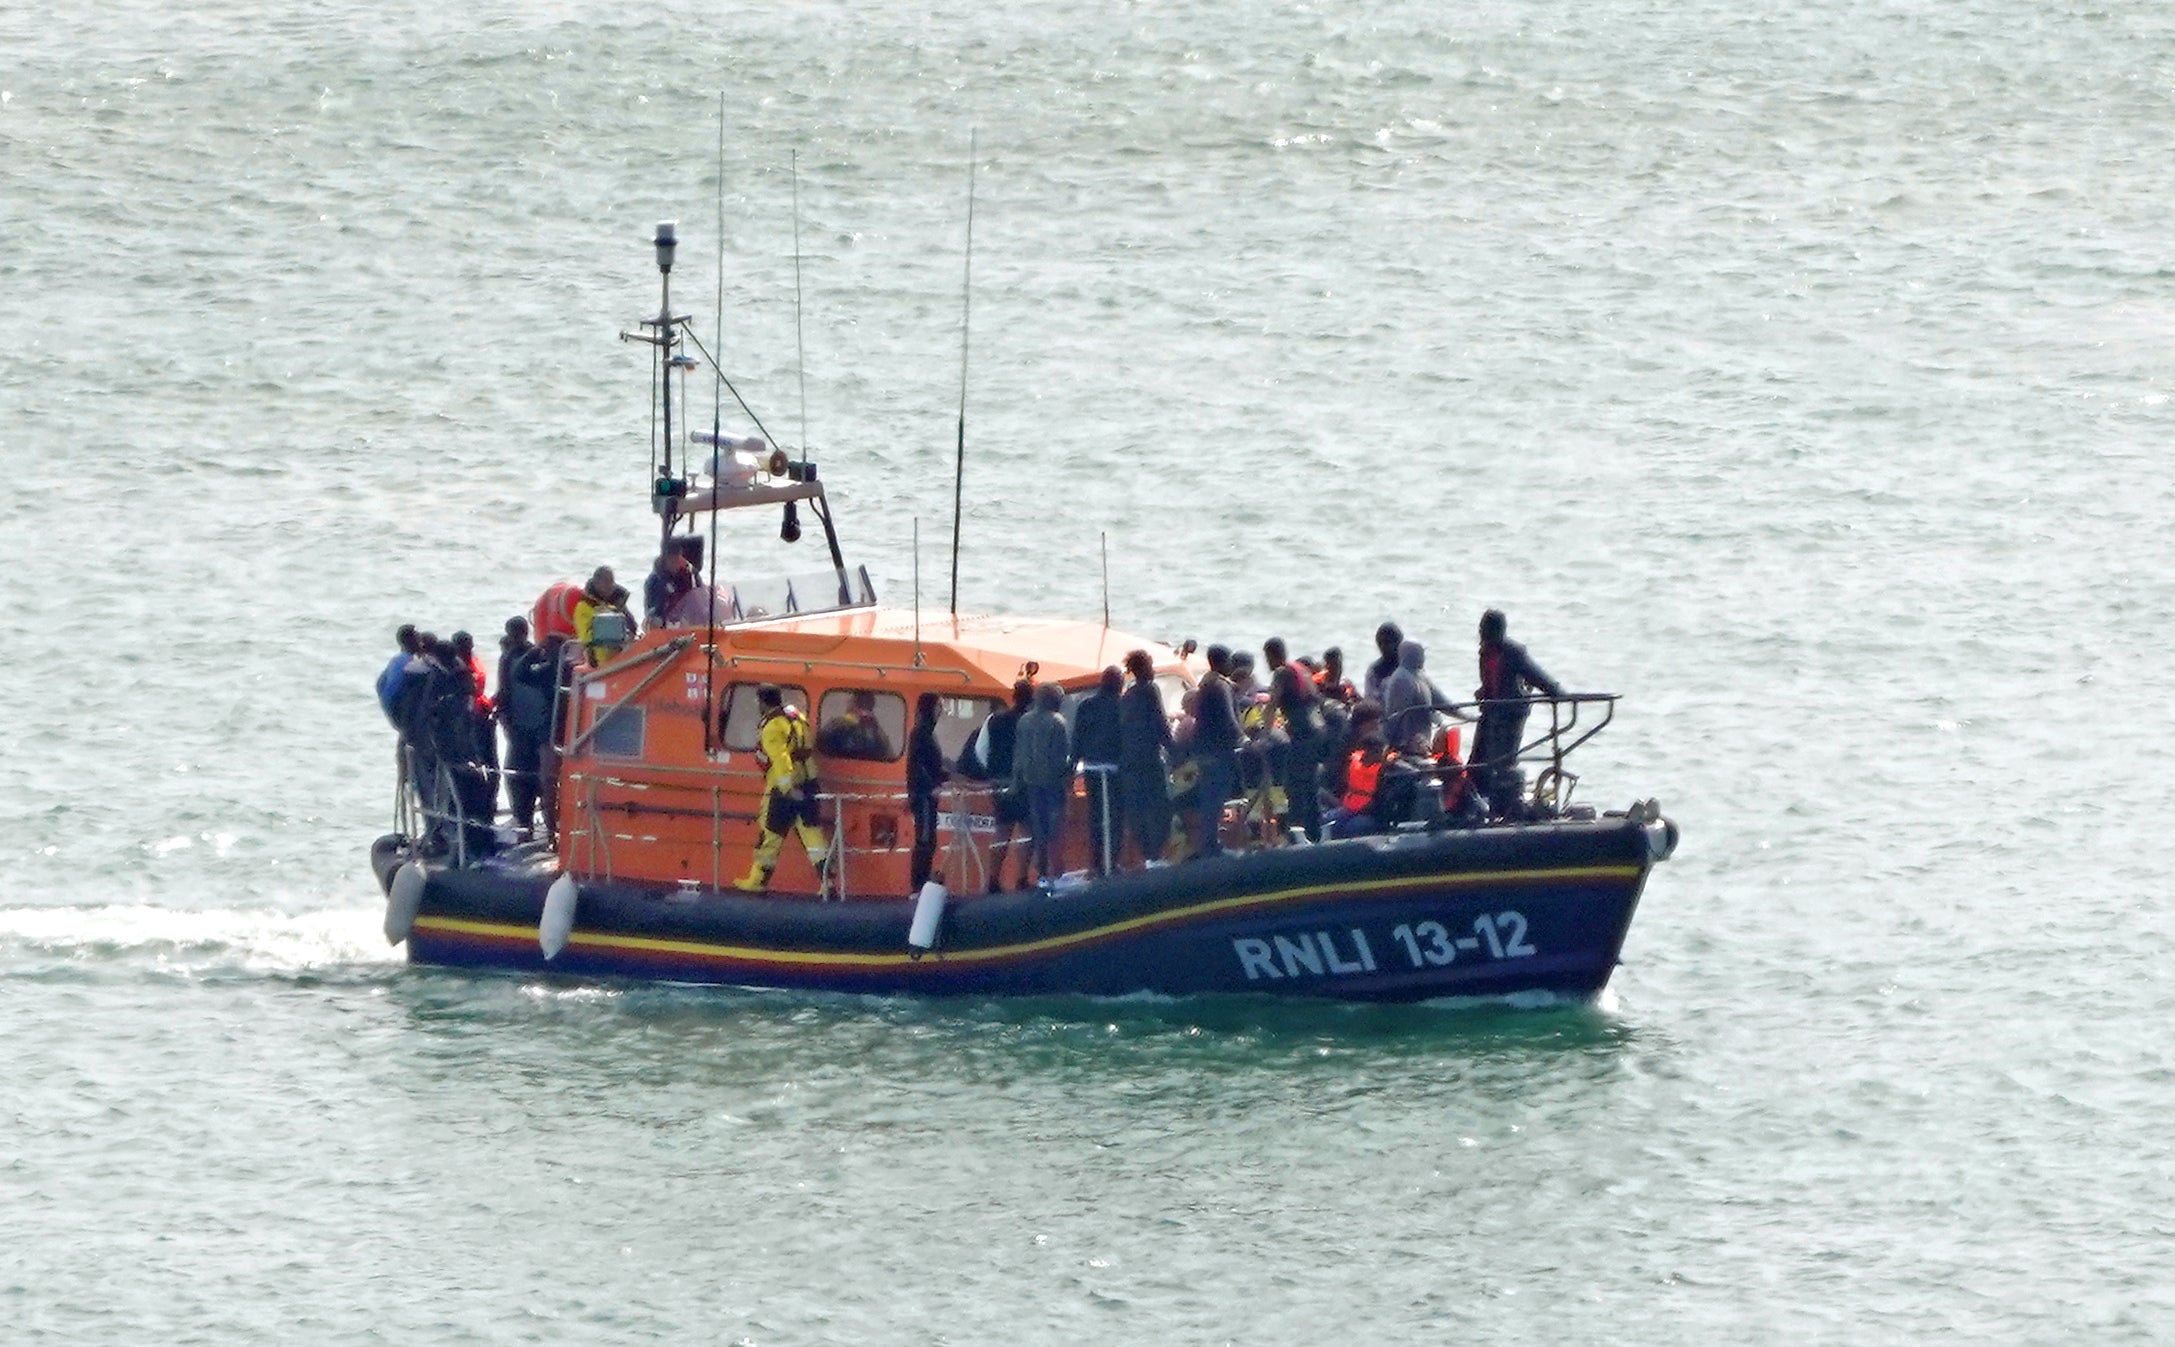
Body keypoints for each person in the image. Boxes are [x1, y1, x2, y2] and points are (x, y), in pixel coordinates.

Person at [735, 684, 829, 891]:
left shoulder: (772, 727)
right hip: (809, 783)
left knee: (770, 835)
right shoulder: (797, 717)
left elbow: (780, 759)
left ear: (763, 702)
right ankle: (827, 882)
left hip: (783, 788)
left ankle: (758, 881)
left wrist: (787, 788)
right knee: (812, 835)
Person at [1473, 609, 1564, 819]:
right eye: (1482, 629)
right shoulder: (1485, 652)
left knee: (1502, 761)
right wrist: (1483, 693)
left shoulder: (1513, 653)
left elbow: (1535, 676)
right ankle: (1480, 802)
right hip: (1490, 713)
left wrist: (1556, 693)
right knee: (1478, 760)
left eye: (1486, 629)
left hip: (1509, 716)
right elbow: (1489, 682)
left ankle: (1504, 806)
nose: (1482, 633)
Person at [959, 679, 1033, 891]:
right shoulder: (1031, 721)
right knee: (1027, 830)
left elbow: (981, 751)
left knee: (1002, 829)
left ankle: (992, 880)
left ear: (1013, 696)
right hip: (1025, 781)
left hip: (999, 781)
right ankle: (1021, 879)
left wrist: (990, 774)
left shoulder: (993, 721)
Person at [1011, 682, 1073, 888]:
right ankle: (1057, 874)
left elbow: (1018, 757)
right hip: (1053, 784)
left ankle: (1042, 875)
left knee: (1039, 831)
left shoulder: (1024, 721)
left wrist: (1015, 783)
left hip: (1031, 784)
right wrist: (1068, 780)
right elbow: (1062, 757)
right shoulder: (1058, 722)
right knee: (1055, 830)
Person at [1116, 650, 1173, 868]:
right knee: (1162, 806)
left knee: (1138, 810)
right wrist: (1175, 751)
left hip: (1129, 760)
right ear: (1144, 669)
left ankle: (1148, 855)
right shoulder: (1150, 690)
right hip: (1148, 758)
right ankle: (1156, 854)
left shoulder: (1127, 695)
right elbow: (1160, 723)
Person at [503, 628, 558, 840]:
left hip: (551, 734)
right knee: (545, 784)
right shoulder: (552, 670)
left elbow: (520, 673)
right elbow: (520, 674)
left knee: (547, 784)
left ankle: (553, 832)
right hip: (548, 732)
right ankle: (551, 832)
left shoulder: (554, 671)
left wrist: (536, 651)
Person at [1190, 645, 1242, 859]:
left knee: (1209, 798)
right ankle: (1211, 846)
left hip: (1204, 751)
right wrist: (1245, 739)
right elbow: (1230, 719)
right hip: (1218, 752)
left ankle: (1209, 843)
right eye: (1228, 660)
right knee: (1215, 798)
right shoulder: (1220, 686)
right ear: (1222, 662)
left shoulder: (1205, 684)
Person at [1071, 666, 1123, 874]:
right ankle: (1112, 862)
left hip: (1091, 767)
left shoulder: (1086, 705)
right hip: (1115, 768)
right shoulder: (1122, 705)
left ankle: (1096, 862)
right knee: (1116, 816)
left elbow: (1077, 739)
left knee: (1096, 816)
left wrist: (1073, 766)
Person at [1271, 661, 1327, 843]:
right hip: (1318, 731)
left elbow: (1272, 703)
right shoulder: (1301, 671)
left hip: (1303, 736)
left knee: (1294, 786)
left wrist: (1265, 730)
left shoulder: (1281, 673)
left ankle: (1297, 833)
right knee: (1311, 785)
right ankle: (1316, 832)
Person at [1380, 639, 1465, 755]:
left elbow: (1444, 704)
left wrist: (1467, 717)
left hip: (1423, 744)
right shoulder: (1401, 679)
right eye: (1421, 653)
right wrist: (1402, 744)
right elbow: (1397, 716)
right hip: (1407, 747)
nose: (1423, 657)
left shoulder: (1421, 677)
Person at [906, 691, 950, 894]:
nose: (941, 710)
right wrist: (930, 786)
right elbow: (918, 766)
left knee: (929, 839)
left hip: (928, 793)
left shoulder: (926, 731)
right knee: (924, 840)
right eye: (939, 706)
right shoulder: (921, 732)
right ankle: (918, 885)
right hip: (924, 795)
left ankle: (922, 882)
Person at [573, 566, 633, 665]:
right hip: (599, 662)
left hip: (621, 657)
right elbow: (586, 637)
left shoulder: (615, 606)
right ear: (596, 583)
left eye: (612, 582)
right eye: (606, 582)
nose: (611, 586)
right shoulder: (584, 607)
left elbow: (631, 628)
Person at [817, 689, 894, 760]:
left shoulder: (839, 724)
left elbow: (821, 742)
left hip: (838, 769)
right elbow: (888, 754)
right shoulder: (877, 730)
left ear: (853, 703)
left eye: (850, 701)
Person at [643, 542, 696, 629]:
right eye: (672, 560)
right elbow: (653, 607)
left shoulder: (684, 575)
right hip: (660, 618)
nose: (676, 563)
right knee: (656, 621)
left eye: (677, 559)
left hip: (681, 618)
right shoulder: (655, 580)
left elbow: (690, 598)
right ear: (665, 559)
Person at [377, 625, 422, 727]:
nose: (421, 643)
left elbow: (380, 684)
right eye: (418, 639)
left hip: (391, 709)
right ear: (410, 641)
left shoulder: (396, 660)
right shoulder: (410, 663)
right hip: (400, 711)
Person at [1363, 622, 1404, 702]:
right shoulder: (1374, 670)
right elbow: (1370, 698)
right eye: (1380, 643)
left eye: (1387, 642)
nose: (1383, 646)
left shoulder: (1407, 668)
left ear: (1398, 642)